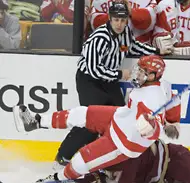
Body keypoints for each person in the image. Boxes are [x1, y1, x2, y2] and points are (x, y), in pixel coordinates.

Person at [13, 55, 180, 183]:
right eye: (139, 70)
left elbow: (155, 127)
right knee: (81, 113)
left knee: (80, 161)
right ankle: (35, 122)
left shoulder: (152, 98)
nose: (137, 74)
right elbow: (174, 97)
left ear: (152, 76)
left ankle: (56, 179)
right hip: (120, 117)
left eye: (143, 72)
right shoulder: (163, 86)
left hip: (123, 141)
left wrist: (151, 129)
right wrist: (173, 123)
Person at [54, 1, 172, 170]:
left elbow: (134, 47)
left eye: (123, 20)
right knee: (90, 120)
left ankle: (109, 158)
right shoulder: (99, 38)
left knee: (122, 118)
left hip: (109, 81)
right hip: (90, 81)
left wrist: (157, 51)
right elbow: (94, 69)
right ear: (109, 18)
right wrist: (119, 74)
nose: (120, 24)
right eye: (116, 20)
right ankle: (63, 156)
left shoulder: (125, 33)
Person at [90, 0, 157, 44]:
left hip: (139, 49)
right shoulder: (98, 1)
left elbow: (150, 22)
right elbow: (95, 24)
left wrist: (131, 12)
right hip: (109, 50)